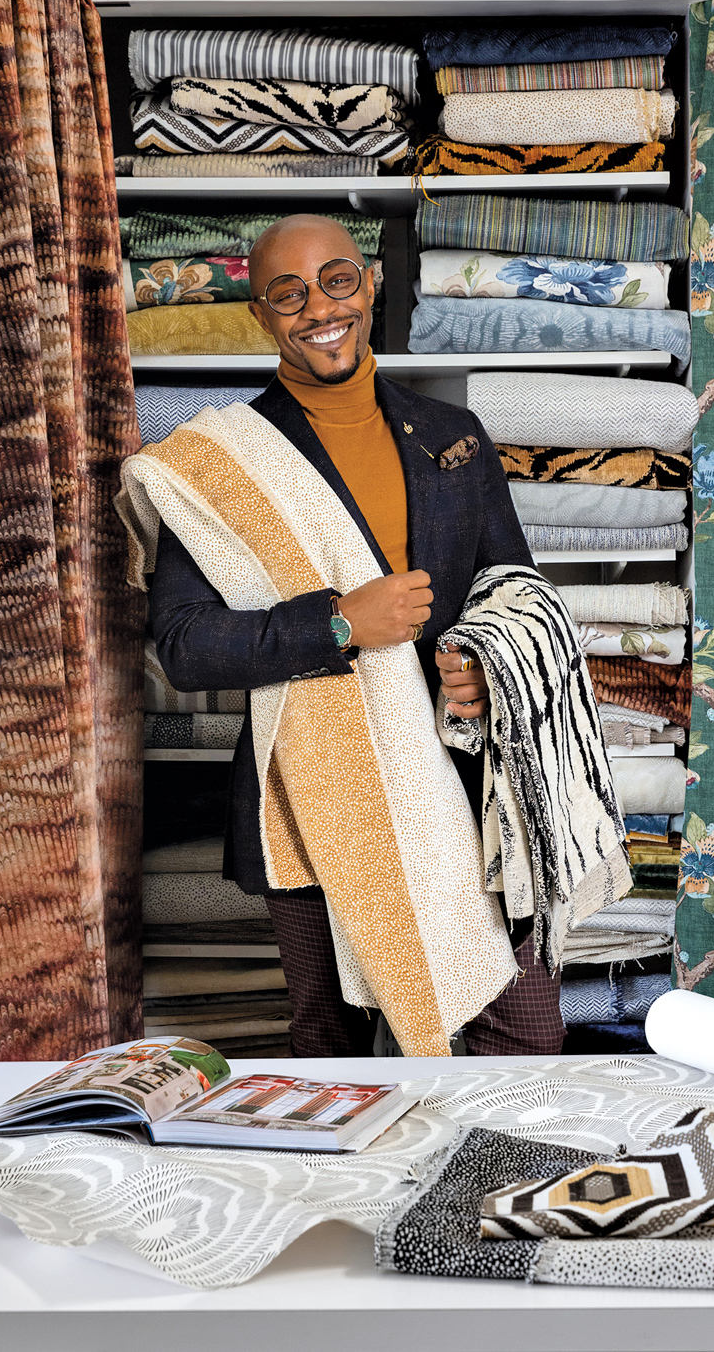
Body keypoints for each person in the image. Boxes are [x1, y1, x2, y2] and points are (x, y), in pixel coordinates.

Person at [147, 214, 565, 1057]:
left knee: (517, 1034)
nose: (318, 308)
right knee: (334, 1047)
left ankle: (480, 1191)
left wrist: (488, 668)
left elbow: (513, 590)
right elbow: (185, 648)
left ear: (369, 284)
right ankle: (356, 1195)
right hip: (311, 793)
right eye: (287, 293)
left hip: (468, 775)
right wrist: (338, 621)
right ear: (260, 315)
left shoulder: (452, 437)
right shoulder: (216, 462)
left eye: (336, 279)